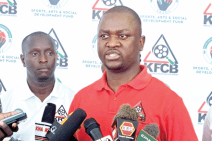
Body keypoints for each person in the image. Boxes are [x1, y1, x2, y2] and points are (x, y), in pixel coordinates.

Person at [69, 6, 198, 141]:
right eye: (104, 36)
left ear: (141, 43)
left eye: (122, 36)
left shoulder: (169, 102)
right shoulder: (81, 99)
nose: (112, 43)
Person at [1, 32, 75, 140]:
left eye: (49, 53)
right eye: (35, 54)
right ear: (23, 60)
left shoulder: (74, 99)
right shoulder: (5, 100)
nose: (43, 59)